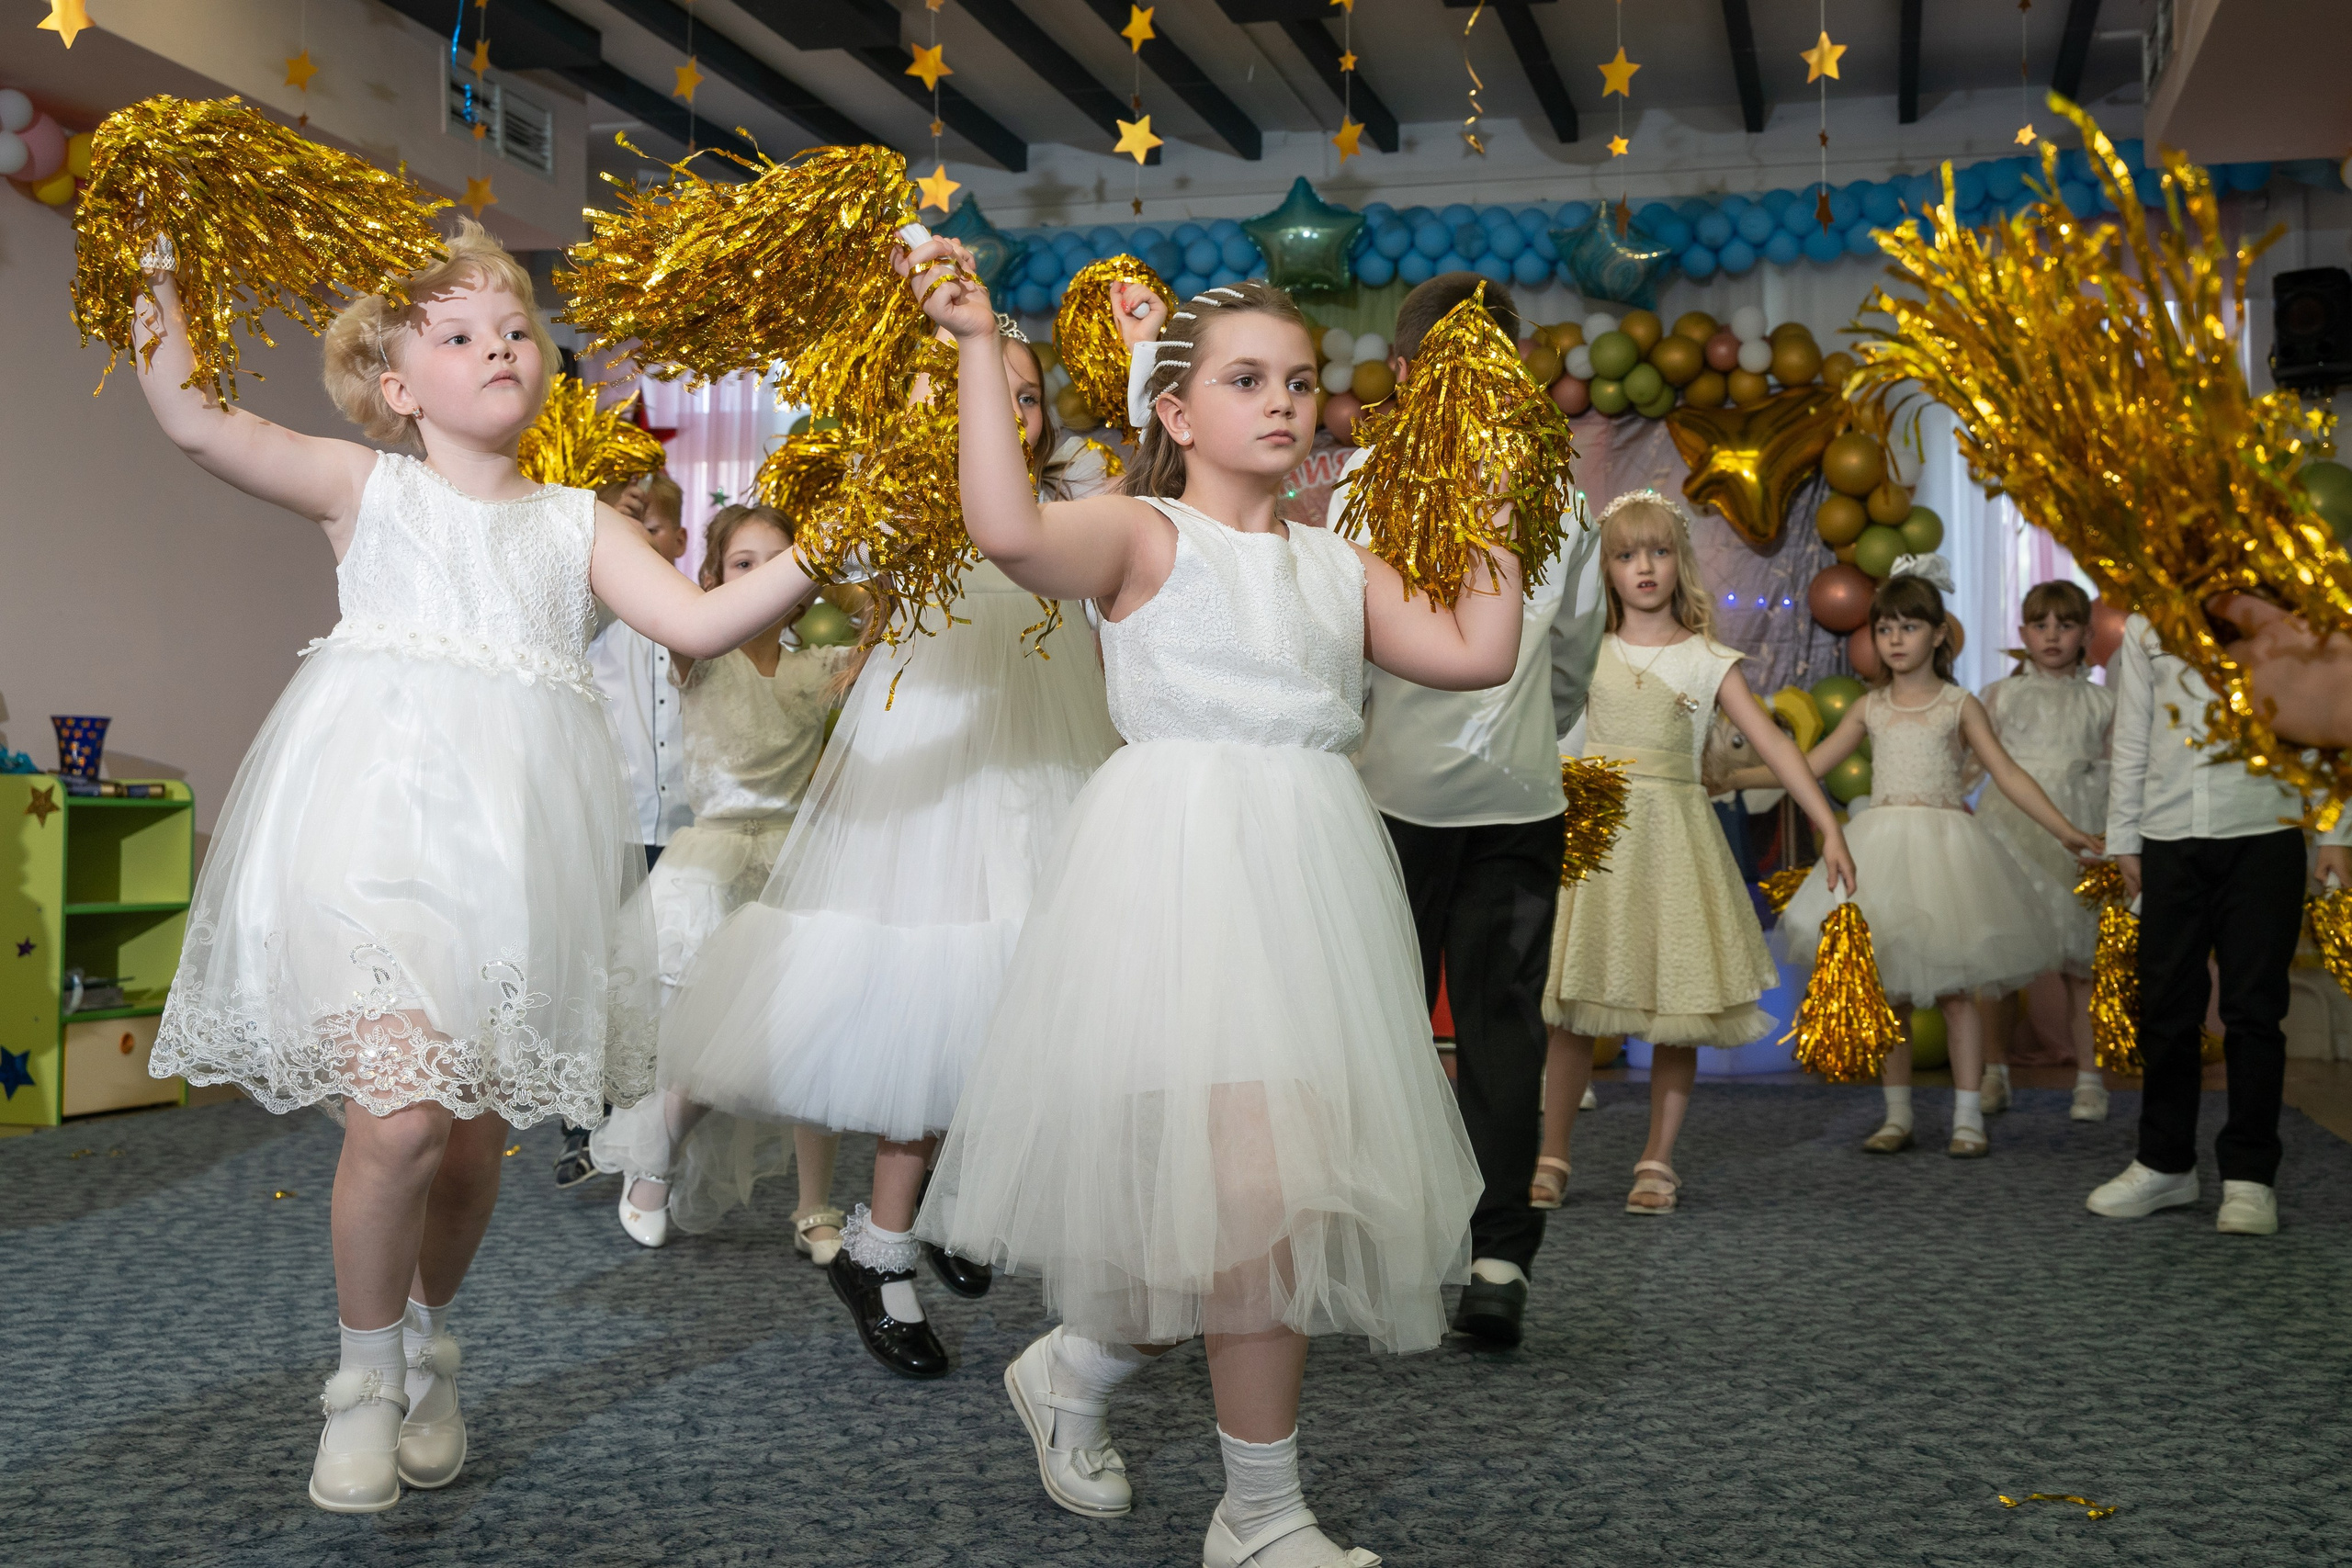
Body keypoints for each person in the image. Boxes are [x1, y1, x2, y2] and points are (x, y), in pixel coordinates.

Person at [135, 218, 821, 1514]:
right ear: (397, 385)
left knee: (465, 1145)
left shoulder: (575, 524)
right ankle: (360, 1378)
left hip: (515, 862)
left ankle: (429, 1339)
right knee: (396, 1120)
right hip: (371, 842)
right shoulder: (364, 488)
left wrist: (825, 542)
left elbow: (697, 616)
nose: (495, 345)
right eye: (456, 333)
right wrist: (165, 291)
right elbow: (195, 423)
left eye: (513, 328)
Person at [905, 243, 1510, 1568]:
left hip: (1309, 877)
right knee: (1253, 1198)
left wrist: (1492, 495)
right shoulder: (1141, 530)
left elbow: (1479, 651)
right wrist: (968, 346)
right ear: (1176, 414)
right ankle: (1260, 1510)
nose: (1284, 402)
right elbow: (1007, 532)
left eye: (1301, 379)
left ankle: (1080, 1365)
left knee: (1245, 1207)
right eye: (1247, 379)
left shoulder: (1337, 561)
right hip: (1177, 879)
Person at [657, 311, 1137, 1379]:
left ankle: (948, 1213)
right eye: (979, 390)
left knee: (1030, 989)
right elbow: (824, 585)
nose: (1008, 412)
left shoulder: (1067, 501)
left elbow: (1143, 519)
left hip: (1042, 757)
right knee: (928, 985)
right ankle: (882, 1250)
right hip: (934, 761)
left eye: (1024, 396)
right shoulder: (893, 501)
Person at [1319, 272, 1604, 1347]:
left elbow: (1338, 660)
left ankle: (1401, 1250)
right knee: (1496, 1030)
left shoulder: (1357, 489)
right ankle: (1497, 1259)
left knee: (1385, 1030)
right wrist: (1530, 726)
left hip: (1396, 796)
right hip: (1493, 795)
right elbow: (1573, 655)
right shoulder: (1554, 495)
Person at [1537, 491, 1857, 1215]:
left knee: (1676, 1001)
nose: (1643, 567)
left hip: (1676, 838)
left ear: (1680, 562)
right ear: (1607, 570)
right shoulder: (1585, 650)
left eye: (1657, 552)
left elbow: (1775, 744)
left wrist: (1829, 824)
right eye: (1625, 555)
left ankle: (1657, 1158)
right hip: (1597, 838)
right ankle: (1552, 1153)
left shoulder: (1709, 660)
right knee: (1570, 1005)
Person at [589, 504, 850, 1259]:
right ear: (713, 579)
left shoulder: (818, 664)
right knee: (714, 1046)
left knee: (817, 1034)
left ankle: (814, 1205)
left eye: (779, 562)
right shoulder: (697, 655)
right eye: (743, 564)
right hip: (712, 864)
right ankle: (655, 1154)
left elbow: (885, 631)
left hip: (796, 863)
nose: (763, 577)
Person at [1776, 559, 2101, 1156]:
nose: (1895, 639)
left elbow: (2008, 774)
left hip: (1949, 852)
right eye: (1885, 628)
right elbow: (1808, 765)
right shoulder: (1869, 707)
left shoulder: (1959, 704)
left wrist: (2067, 830)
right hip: (1882, 847)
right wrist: (1728, 774)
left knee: (1957, 991)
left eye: (1909, 626)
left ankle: (1967, 1115)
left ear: (1938, 635)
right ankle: (1897, 1114)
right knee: (1891, 987)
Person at [2086, 613, 2352, 1235]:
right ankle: (2165, 1162)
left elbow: (2328, 722)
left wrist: (2338, 830)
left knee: (2255, 1008)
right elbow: (2132, 734)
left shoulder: (2287, 620)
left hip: (2266, 832)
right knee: (2167, 1004)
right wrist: (2125, 835)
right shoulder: (2149, 626)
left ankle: (2250, 1176)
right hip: (2168, 837)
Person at [558, 468, 693, 1190]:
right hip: (618, 822)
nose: (637, 542)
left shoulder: (699, 610)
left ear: (677, 537)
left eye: (653, 530)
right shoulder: (601, 615)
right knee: (603, 971)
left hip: (685, 824)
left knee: (660, 977)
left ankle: (646, 1122)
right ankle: (582, 1121)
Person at [1972, 581, 2116, 1122]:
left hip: (2080, 832)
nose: (2052, 636)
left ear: (2086, 633)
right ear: (2023, 633)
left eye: (2065, 624)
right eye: (2040, 625)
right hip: (2011, 833)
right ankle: (1994, 1071)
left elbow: (2116, 775)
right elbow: (1975, 766)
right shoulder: (2000, 696)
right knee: (2000, 963)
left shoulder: (2103, 702)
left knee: (2082, 965)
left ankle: (2088, 1077)